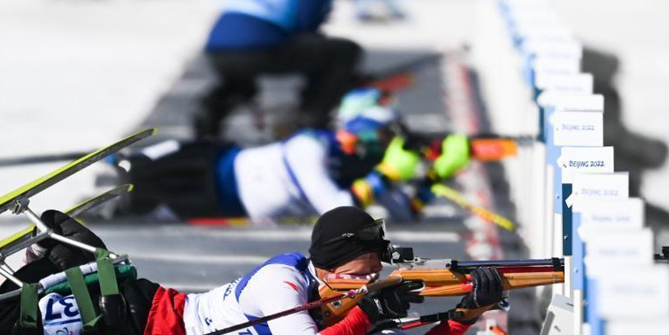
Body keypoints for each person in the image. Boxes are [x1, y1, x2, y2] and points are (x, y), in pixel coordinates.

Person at [0, 206, 504, 335]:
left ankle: (47, 263)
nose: (366, 284)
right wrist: (368, 312)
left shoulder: (349, 303)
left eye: (372, 273)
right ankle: (33, 258)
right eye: (359, 273)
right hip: (140, 321)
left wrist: (462, 316)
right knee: (8, 330)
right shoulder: (281, 283)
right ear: (330, 266)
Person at [107, 105, 472, 224]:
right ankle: (127, 162)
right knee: (149, 169)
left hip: (223, 202)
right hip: (216, 164)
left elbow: (408, 212)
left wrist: (435, 175)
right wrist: (388, 175)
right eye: (374, 138)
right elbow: (336, 207)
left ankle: (115, 207)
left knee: (148, 203)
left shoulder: (365, 175)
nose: (373, 148)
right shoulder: (309, 145)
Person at [192, 0, 386, 139]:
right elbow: (307, 26)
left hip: (218, 48)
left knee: (243, 84)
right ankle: (311, 123)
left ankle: (209, 118)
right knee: (343, 52)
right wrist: (341, 80)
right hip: (258, 47)